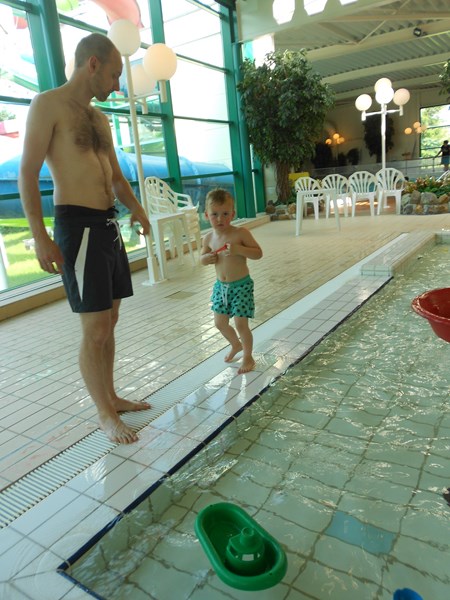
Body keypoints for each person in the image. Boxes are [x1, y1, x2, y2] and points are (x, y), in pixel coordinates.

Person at [18, 33, 151, 444]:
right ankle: (104, 414)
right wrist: (40, 235)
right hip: (77, 228)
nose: (116, 85)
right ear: (92, 64)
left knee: (110, 322)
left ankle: (112, 397)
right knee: (94, 329)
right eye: (114, 75)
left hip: (108, 226)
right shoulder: (48, 105)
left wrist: (138, 209)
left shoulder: (99, 119)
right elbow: (28, 173)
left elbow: (116, 177)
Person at [201, 188, 263, 374]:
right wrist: (206, 259)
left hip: (241, 286)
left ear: (233, 214)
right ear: (206, 215)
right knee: (220, 323)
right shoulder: (208, 237)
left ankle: (248, 356)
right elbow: (202, 257)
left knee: (241, 324)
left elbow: (258, 253)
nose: (220, 219)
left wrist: (239, 250)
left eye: (225, 214)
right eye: (215, 214)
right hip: (221, 287)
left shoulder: (240, 234)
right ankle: (236, 344)